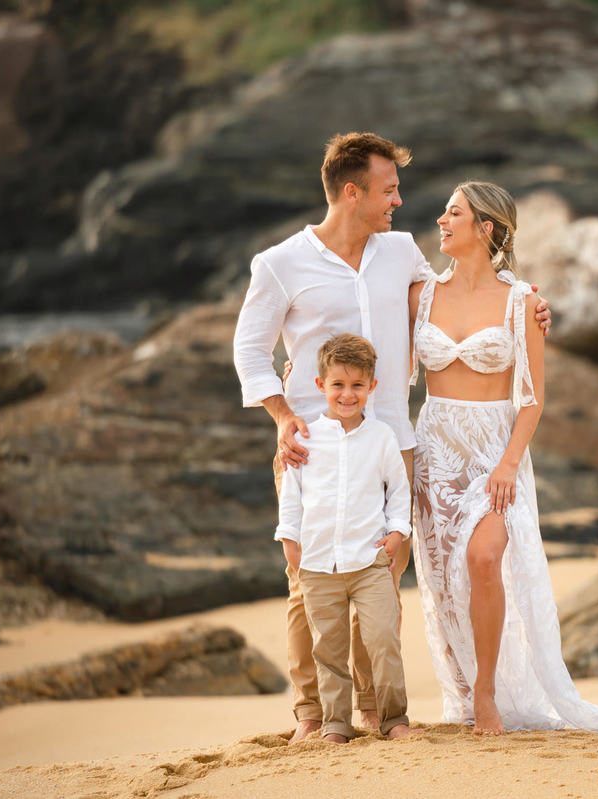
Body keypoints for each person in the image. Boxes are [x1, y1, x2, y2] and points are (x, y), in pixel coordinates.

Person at [233, 132, 550, 742]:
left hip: (396, 440)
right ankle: (311, 714)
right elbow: (250, 350)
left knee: (382, 575)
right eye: (389, 189)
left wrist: (529, 308)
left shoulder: (402, 252)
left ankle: (377, 710)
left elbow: (456, 300)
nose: (400, 202)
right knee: (309, 582)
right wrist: (280, 416)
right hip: (311, 446)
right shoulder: (279, 264)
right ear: (352, 194)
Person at [409, 181, 598, 735]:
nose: (441, 222)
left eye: (453, 213)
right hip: (435, 454)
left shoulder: (523, 302)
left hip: (494, 452)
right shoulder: (420, 295)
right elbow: (381, 370)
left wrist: (506, 464)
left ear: (486, 229)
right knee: (445, 580)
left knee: (483, 558)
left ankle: (486, 697)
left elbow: (531, 398)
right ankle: (462, 687)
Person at [275, 334, 416, 743]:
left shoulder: (382, 438)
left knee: (383, 640)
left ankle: (394, 719)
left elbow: (399, 491)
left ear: (372, 387)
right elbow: (292, 494)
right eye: (338, 385)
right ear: (321, 386)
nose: (347, 394)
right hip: (318, 563)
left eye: (357, 385)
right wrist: (289, 538)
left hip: (370, 562)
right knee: (328, 650)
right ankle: (335, 724)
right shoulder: (304, 439)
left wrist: (397, 532)